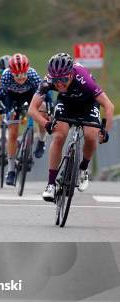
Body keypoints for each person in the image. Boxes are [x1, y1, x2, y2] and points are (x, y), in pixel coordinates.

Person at [28, 53, 114, 201]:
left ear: (72, 74)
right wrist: (46, 124)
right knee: (59, 136)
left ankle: (83, 169)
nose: (60, 84)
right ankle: (51, 185)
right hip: (66, 103)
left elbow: (109, 106)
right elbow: (32, 109)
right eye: (56, 81)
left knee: (90, 136)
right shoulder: (48, 81)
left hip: (88, 104)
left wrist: (106, 131)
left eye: (64, 79)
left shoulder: (84, 80)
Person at [0, 53, 44, 186]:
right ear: (11, 72)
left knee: (43, 113)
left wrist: (46, 108)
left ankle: (41, 140)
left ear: (28, 70)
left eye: (24, 74)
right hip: (12, 98)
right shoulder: (6, 76)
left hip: (31, 95)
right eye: (17, 75)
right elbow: (2, 96)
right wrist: (8, 111)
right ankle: (11, 170)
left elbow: (43, 94)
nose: (21, 78)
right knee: (12, 132)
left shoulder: (33, 75)